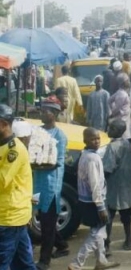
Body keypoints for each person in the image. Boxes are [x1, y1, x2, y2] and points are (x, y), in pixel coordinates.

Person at [68, 128, 120, 270]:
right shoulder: (92, 158)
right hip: (93, 201)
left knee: (98, 230)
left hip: (86, 199)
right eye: (93, 139)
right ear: (85, 141)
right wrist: (101, 206)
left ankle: (100, 260)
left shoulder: (84, 154)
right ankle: (77, 263)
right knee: (97, 232)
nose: (96, 141)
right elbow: (95, 183)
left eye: (98, 139)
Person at [33, 97, 69, 270]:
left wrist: (35, 163)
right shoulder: (37, 132)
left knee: (47, 224)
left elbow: (57, 162)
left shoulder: (59, 136)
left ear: (54, 114)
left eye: (45, 110)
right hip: (36, 183)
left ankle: (44, 261)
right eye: (41, 109)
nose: (42, 112)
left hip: (50, 185)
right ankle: (62, 246)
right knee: (42, 220)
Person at [0, 104, 36, 270]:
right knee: (24, 263)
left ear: (3, 124)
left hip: (9, 218)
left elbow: (2, 181)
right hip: (13, 216)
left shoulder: (15, 150)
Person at [103, 119, 131, 253]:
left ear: (118, 131)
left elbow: (108, 168)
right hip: (126, 185)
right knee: (126, 215)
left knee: (109, 216)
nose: (108, 130)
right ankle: (128, 240)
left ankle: (106, 244)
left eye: (111, 128)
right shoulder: (127, 144)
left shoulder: (112, 147)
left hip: (114, 185)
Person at [108, 73, 131, 140]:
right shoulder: (122, 94)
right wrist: (113, 112)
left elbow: (109, 100)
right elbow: (116, 108)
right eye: (128, 80)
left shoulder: (121, 92)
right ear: (124, 82)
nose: (129, 82)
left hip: (124, 119)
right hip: (122, 120)